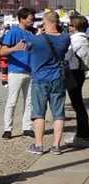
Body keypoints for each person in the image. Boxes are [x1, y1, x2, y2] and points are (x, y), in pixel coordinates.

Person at [26, 12, 70, 154]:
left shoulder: (36, 39)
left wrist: (38, 34)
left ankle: (39, 145)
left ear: (44, 22)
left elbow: (26, 48)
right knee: (58, 113)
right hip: (58, 78)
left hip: (40, 79)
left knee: (39, 113)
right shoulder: (65, 39)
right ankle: (56, 146)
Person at [0, 8, 36, 139]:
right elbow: (2, 51)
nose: (32, 22)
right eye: (30, 19)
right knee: (12, 101)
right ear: (22, 19)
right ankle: (7, 129)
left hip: (31, 72)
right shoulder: (13, 32)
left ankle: (27, 127)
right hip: (16, 71)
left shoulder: (32, 33)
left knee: (29, 101)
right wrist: (15, 48)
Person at [65, 15, 89, 147]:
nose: (68, 27)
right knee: (78, 104)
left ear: (75, 27)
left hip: (74, 72)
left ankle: (83, 134)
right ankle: (83, 132)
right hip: (79, 72)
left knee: (77, 105)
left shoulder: (75, 39)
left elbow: (67, 55)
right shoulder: (85, 38)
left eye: (70, 25)